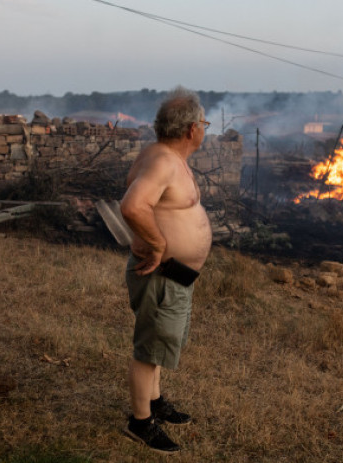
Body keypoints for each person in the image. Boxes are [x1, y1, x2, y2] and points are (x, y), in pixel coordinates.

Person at [119, 86, 213, 454]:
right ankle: (140, 422)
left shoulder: (167, 156)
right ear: (192, 129)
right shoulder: (162, 161)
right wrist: (158, 244)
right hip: (161, 274)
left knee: (159, 344)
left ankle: (155, 403)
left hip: (174, 276)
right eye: (203, 123)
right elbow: (132, 206)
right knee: (149, 349)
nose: (205, 129)